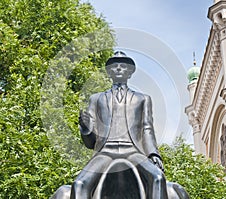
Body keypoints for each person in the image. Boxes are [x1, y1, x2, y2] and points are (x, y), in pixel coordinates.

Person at [70, 51, 168, 199]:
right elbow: (91, 142)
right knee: (79, 184)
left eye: (123, 66)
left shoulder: (143, 99)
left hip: (133, 151)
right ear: (109, 72)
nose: (118, 68)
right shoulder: (96, 99)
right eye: (114, 66)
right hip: (104, 152)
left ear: (129, 72)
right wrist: (85, 128)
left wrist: (153, 154)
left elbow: (147, 129)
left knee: (158, 178)